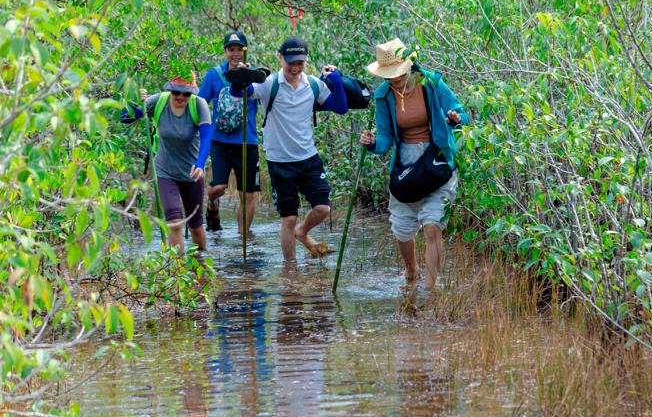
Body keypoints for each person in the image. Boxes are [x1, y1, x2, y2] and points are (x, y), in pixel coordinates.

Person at [358, 38, 466, 291]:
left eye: (397, 73)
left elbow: (460, 111)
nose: (393, 79)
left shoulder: (431, 83)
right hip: (405, 163)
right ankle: (411, 272)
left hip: (438, 160)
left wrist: (454, 118)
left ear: (409, 65)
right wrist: (372, 142)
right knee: (403, 229)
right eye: (388, 75)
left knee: (431, 225)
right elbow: (385, 138)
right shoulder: (383, 95)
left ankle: (429, 289)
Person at [250, 36, 348, 260]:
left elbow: (340, 108)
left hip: (308, 157)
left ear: (306, 61)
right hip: (279, 161)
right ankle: (290, 270)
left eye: (300, 63)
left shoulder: (313, 84)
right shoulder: (269, 84)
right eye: (290, 62)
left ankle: (302, 232)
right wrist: (243, 79)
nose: (294, 68)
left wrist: (336, 80)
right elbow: (242, 93)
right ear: (280, 58)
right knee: (288, 218)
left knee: (323, 208)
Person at [120, 74, 212, 253]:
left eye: (186, 94)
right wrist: (134, 99)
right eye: (176, 92)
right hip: (164, 171)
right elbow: (124, 118)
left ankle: (200, 264)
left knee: (196, 225)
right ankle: (178, 272)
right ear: (169, 90)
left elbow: (207, 137)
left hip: (192, 172)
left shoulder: (198, 104)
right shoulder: (158, 102)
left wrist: (200, 164)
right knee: (174, 223)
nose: (180, 97)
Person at [198, 31, 261, 235]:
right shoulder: (214, 75)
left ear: (245, 51)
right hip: (220, 141)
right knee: (219, 187)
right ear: (225, 51)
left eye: (239, 49)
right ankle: (212, 203)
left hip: (247, 142)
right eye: (231, 49)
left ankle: (244, 238)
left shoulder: (255, 76)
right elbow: (201, 104)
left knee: (248, 194)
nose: (235, 54)